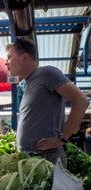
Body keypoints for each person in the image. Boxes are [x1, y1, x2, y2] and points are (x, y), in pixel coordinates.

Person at [6, 37, 89, 167]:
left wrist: (63, 137)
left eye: (9, 57)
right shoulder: (27, 83)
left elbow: (81, 101)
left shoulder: (47, 73)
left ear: (24, 57)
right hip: (30, 159)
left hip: (47, 159)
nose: (6, 63)